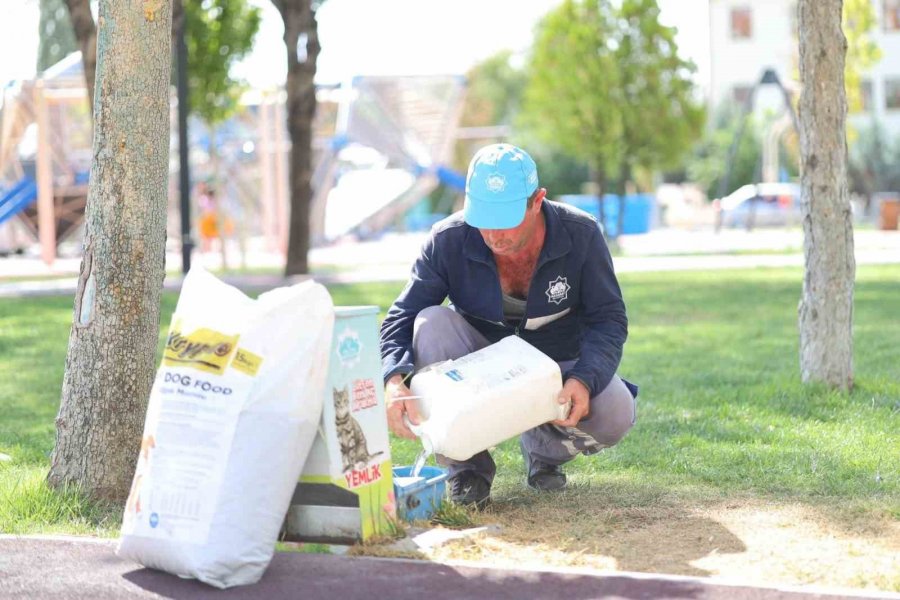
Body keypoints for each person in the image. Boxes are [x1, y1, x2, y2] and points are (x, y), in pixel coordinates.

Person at [380, 143, 637, 508]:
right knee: (430, 322)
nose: (493, 234)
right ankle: (466, 469)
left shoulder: (582, 234)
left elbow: (608, 319)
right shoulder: (447, 239)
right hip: (479, 359)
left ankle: (545, 452)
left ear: (537, 201)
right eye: (483, 218)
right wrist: (392, 380)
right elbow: (401, 317)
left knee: (616, 413)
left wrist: (583, 379)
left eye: (505, 219)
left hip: (556, 363)